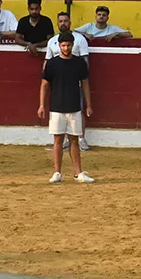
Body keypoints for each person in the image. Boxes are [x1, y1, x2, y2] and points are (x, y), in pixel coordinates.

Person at [40, 45, 93, 184]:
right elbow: (44, 84)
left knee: (74, 140)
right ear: (59, 46)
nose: (66, 47)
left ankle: (78, 173)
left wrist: (88, 105)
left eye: (68, 45)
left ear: (72, 45)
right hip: (57, 107)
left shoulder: (79, 63)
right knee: (58, 140)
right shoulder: (52, 63)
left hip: (74, 107)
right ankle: (57, 172)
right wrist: (41, 105)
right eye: (63, 45)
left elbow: (85, 84)